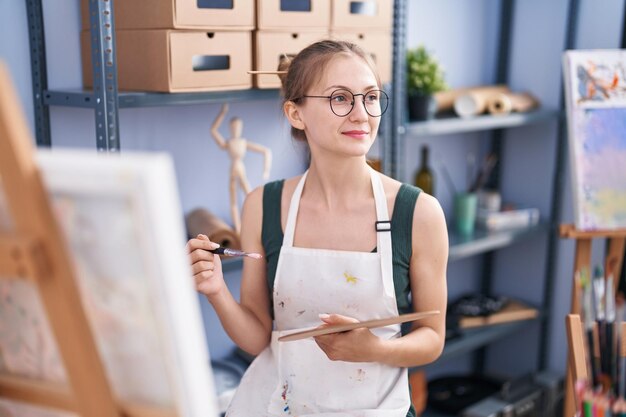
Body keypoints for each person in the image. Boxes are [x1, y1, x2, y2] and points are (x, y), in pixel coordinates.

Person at [186, 39, 448, 416]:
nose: (362, 114)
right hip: (282, 404)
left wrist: (372, 349)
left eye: (371, 97)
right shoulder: (264, 204)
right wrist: (215, 292)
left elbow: (432, 338)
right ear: (296, 114)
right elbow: (258, 337)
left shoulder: (418, 213)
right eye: (340, 98)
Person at [210, 103, 272, 233]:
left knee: (250, 196)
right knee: (233, 201)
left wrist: (266, 170)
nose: (236, 129)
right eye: (233, 127)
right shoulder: (228, 143)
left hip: (240, 169)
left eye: (238, 126)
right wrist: (222, 113)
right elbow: (213, 131)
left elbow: (265, 151)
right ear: (230, 128)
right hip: (233, 170)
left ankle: (256, 225)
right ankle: (238, 229)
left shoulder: (243, 143)